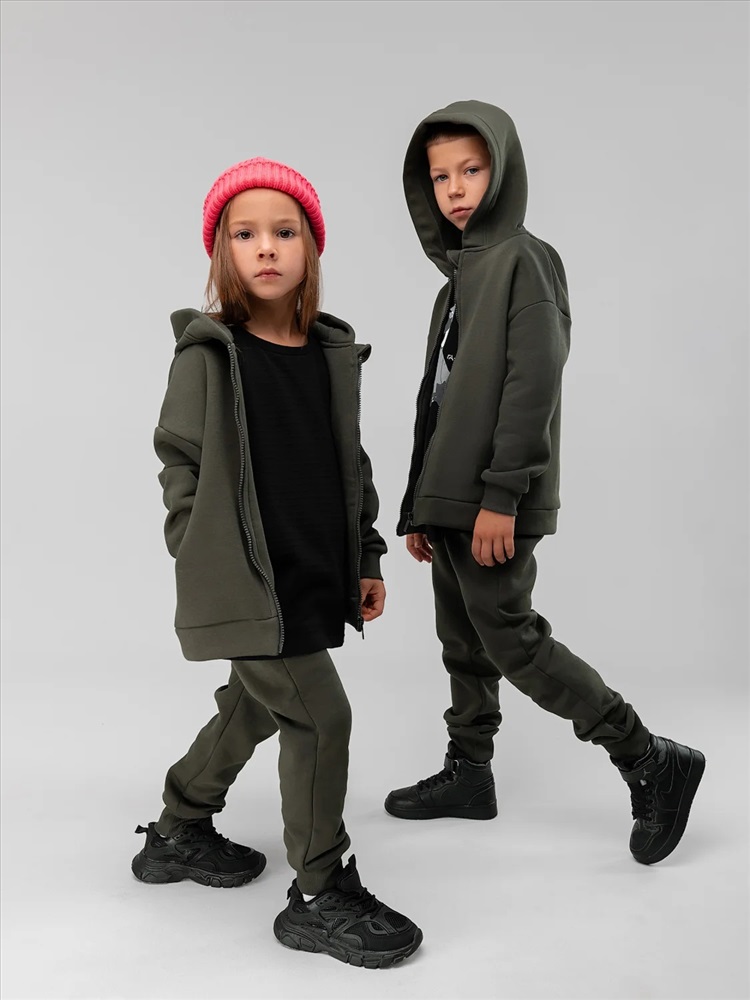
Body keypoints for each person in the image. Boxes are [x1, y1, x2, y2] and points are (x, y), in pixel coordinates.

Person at [385, 101, 705, 866]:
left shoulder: (526, 261)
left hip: (496, 499)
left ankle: (647, 756)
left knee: (514, 642)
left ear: (503, 170)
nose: (455, 189)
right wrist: (420, 506)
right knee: (462, 641)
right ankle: (470, 772)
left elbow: (533, 383)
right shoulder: (455, 284)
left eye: (471, 169)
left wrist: (502, 495)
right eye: (440, 177)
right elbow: (437, 402)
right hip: (453, 500)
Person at [132, 157, 422, 968]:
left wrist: (366, 555)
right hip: (243, 576)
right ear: (222, 252)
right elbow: (179, 459)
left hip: (310, 574)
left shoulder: (328, 352)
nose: (266, 247)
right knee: (322, 717)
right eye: (245, 233)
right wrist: (198, 546)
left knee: (257, 705)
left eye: (284, 231)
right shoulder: (210, 353)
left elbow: (350, 466)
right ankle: (319, 895)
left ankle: (179, 828)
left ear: (310, 249)